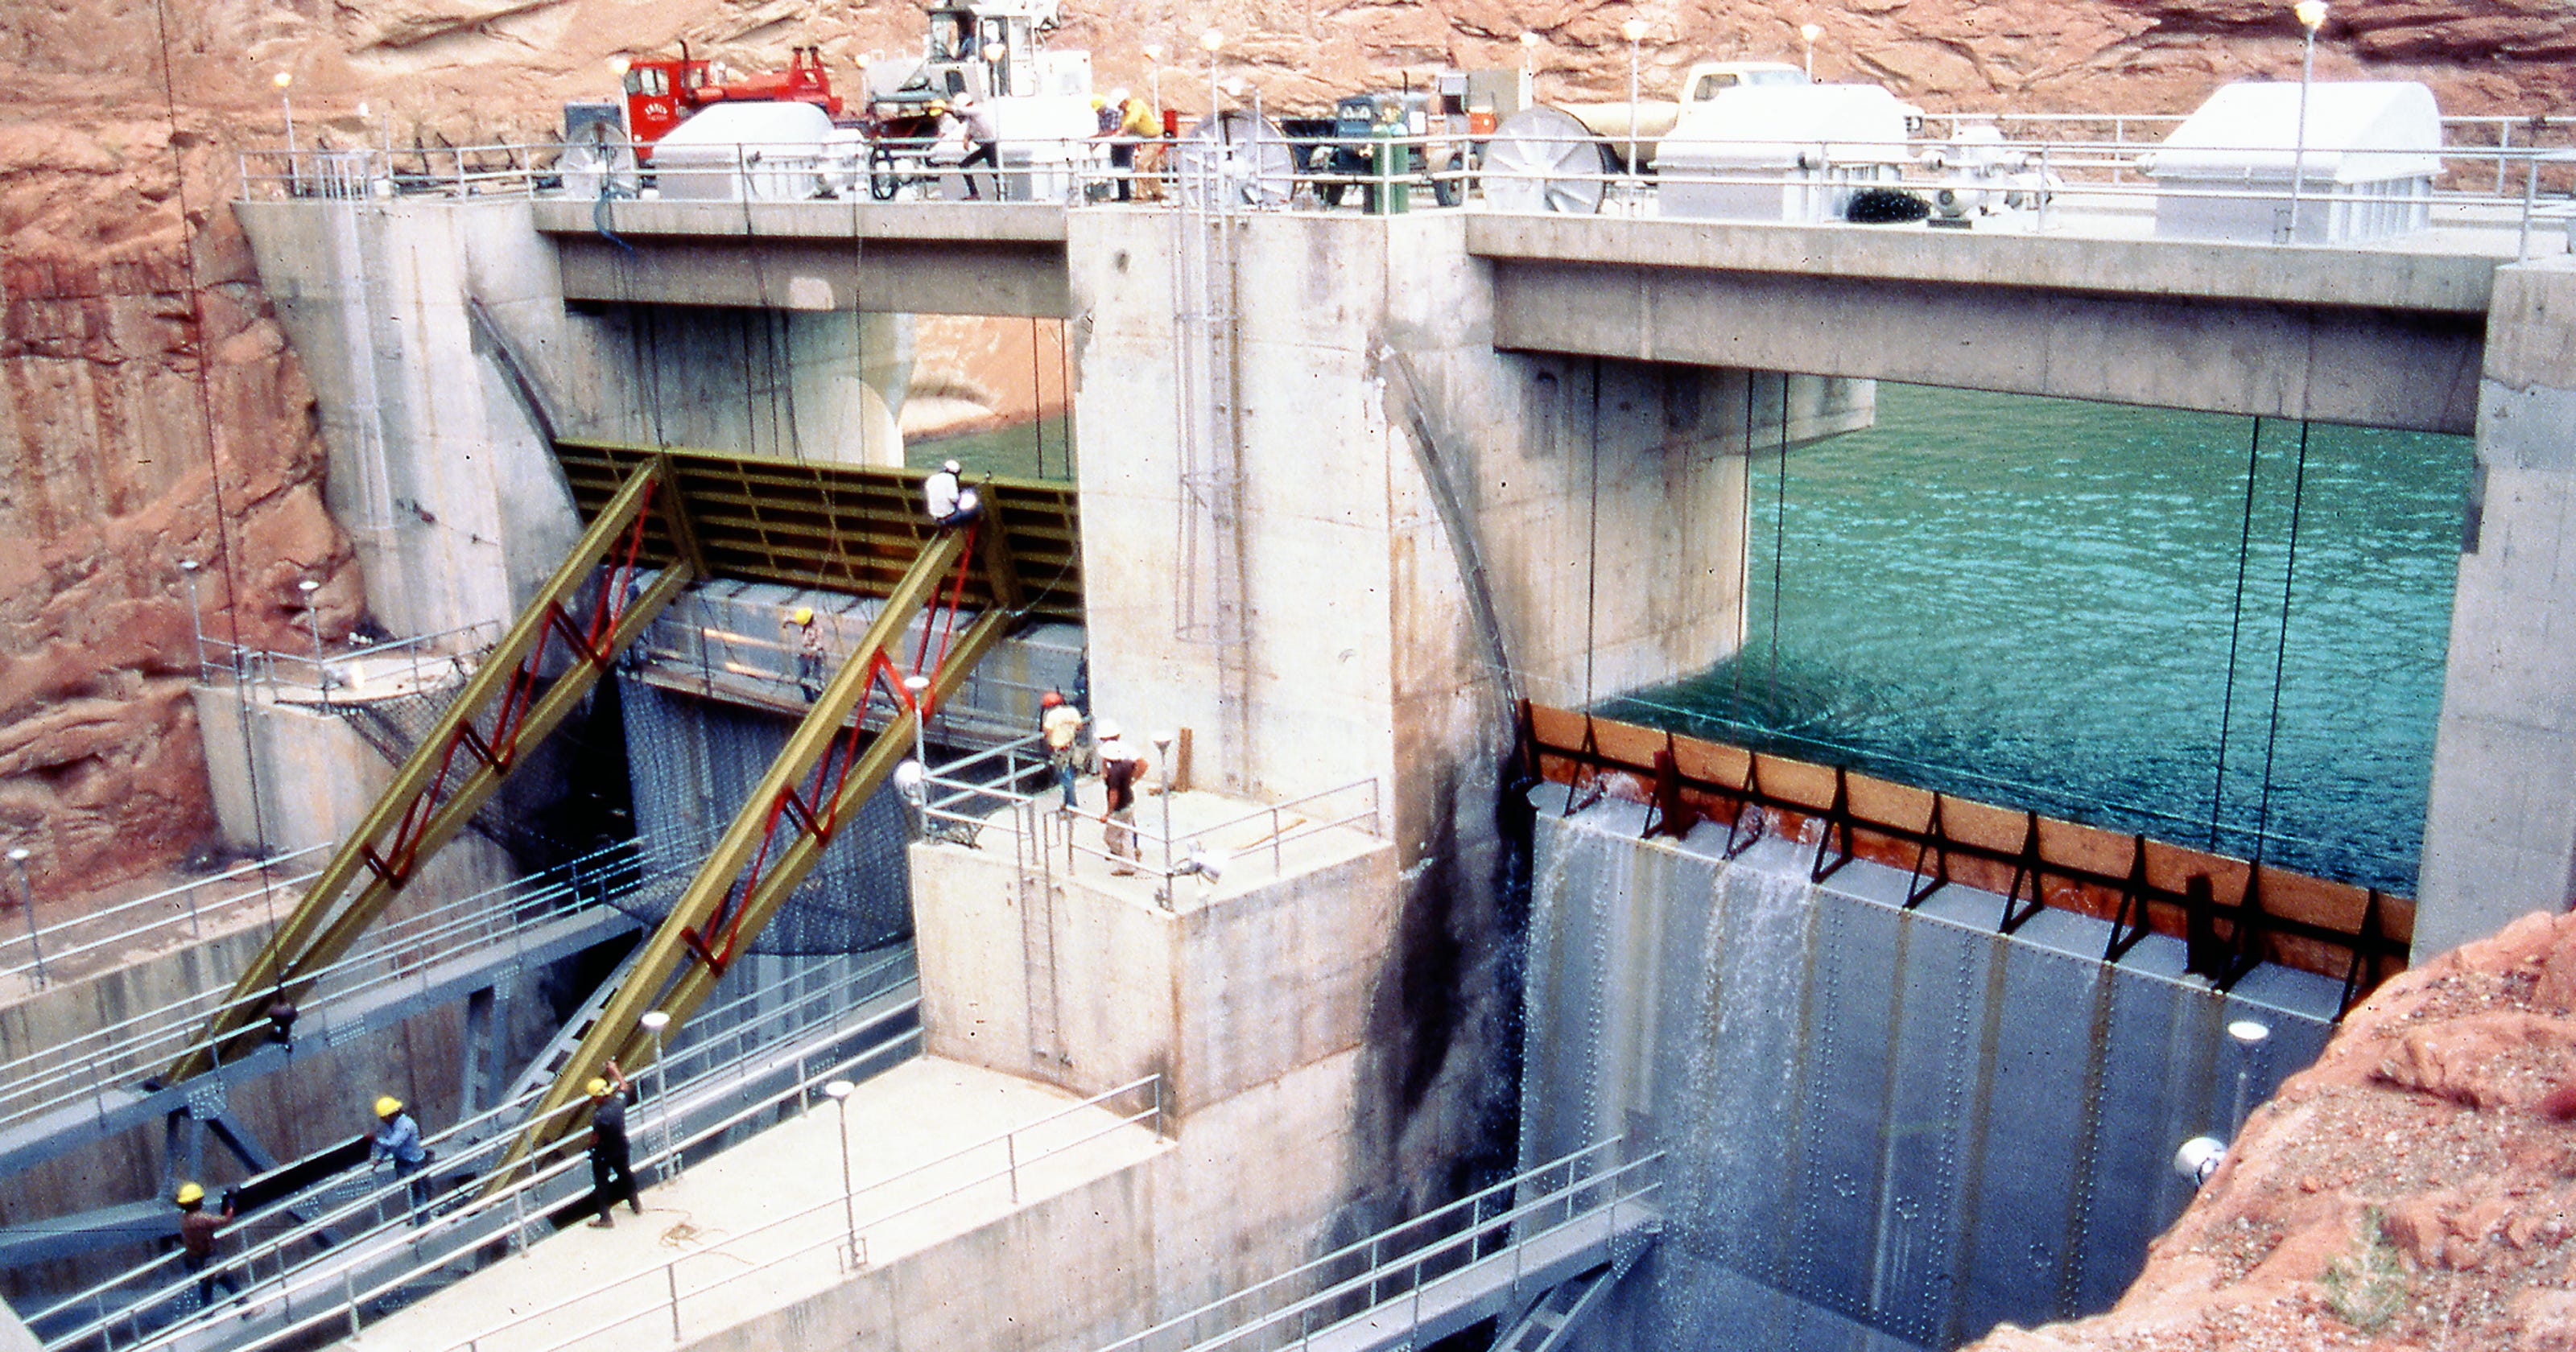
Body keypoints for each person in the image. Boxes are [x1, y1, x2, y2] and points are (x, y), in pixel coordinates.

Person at [585, 1061, 642, 1228]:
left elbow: (595, 1137)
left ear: (597, 1097)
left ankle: (605, 1219)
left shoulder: (599, 1116)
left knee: (602, 1183)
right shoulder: (618, 1102)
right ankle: (636, 1205)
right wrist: (615, 1070)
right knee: (625, 1173)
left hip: (603, 1153)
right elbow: (624, 1086)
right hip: (621, 1146)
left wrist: (589, 1147)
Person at [174, 1181, 242, 1311]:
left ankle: (207, 1315)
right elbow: (226, 1220)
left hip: (195, 1259)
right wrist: (231, 1204)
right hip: (208, 1257)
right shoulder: (201, 1218)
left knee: (206, 1287)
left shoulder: (184, 1219)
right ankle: (244, 1307)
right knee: (227, 1281)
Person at [369, 1094, 431, 1225]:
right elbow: (387, 1146)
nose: (382, 1120)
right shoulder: (389, 1126)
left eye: (383, 1117)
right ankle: (416, 1217)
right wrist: (378, 1159)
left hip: (414, 1163)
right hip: (402, 1163)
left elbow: (393, 1143)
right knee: (410, 1192)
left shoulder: (406, 1125)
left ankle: (422, 1223)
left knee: (418, 1193)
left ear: (390, 1115)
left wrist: (375, 1140)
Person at [1096, 721, 1148, 875]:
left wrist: (1108, 812)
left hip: (1119, 804)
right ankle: (1130, 859)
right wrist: (1131, 781)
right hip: (1129, 799)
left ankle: (1126, 858)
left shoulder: (1114, 773)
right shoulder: (1125, 763)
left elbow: (1114, 793)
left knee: (1111, 836)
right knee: (1127, 832)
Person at [952, 91, 1001, 200]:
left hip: (990, 144)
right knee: (964, 164)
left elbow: (960, 111)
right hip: (984, 146)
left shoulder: (977, 110)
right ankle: (974, 193)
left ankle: (1002, 193)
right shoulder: (971, 118)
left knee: (995, 170)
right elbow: (971, 130)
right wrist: (966, 138)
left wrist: (945, 107)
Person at [1040, 691, 1084, 814]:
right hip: (1070, 747)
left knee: (1065, 779)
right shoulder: (1072, 711)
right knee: (1069, 774)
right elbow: (1080, 727)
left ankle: (1071, 807)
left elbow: (1047, 732)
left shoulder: (1052, 716)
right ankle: (1067, 803)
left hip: (1059, 750)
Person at [1112, 89, 1158, 202]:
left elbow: (1132, 121)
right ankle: (1158, 193)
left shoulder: (1137, 105)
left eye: (1119, 105)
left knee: (1141, 163)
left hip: (1154, 139)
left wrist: (1121, 132)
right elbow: (1127, 126)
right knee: (1152, 167)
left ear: (1123, 101)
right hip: (1146, 140)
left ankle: (1141, 196)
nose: (1118, 107)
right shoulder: (1126, 113)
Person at [923, 459, 981, 528]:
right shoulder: (951, 478)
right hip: (948, 517)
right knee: (978, 506)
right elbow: (954, 498)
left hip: (935, 517)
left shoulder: (931, 479)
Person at [785, 606, 826, 701]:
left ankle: (819, 699)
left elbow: (819, 643)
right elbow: (796, 621)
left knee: (817, 680)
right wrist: (787, 621)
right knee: (802, 679)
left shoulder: (817, 629)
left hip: (815, 655)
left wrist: (812, 650)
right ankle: (809, 699)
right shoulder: (804, 623)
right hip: (804, 654)